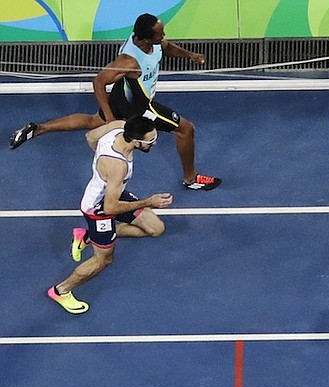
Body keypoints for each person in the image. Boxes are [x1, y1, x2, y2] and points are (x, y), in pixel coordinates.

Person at [9, 13, 221, 191]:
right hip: (139, 107)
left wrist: (190, 55)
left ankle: (36, 129)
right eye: (160, 33)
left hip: (122, 95)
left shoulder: (149, 41)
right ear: (146, 38)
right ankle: (191, 179)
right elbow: (99, 82)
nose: (164, 35)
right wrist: (111, 120)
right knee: (186, 129)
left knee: (93, 121)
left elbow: (165, 47)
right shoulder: (128, 61)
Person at [48, 114, 173, 314]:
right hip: (98, 208)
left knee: (156, 229)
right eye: (150, 141)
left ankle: (86, 236)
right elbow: (110, 208)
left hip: (113, 191)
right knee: (104, 260)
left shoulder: (118, 126)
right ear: (135, 140)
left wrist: (101, 169)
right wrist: (149, 201)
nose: (154, 143)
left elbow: (90, 136)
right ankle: (61, 290)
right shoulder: (118, 166)